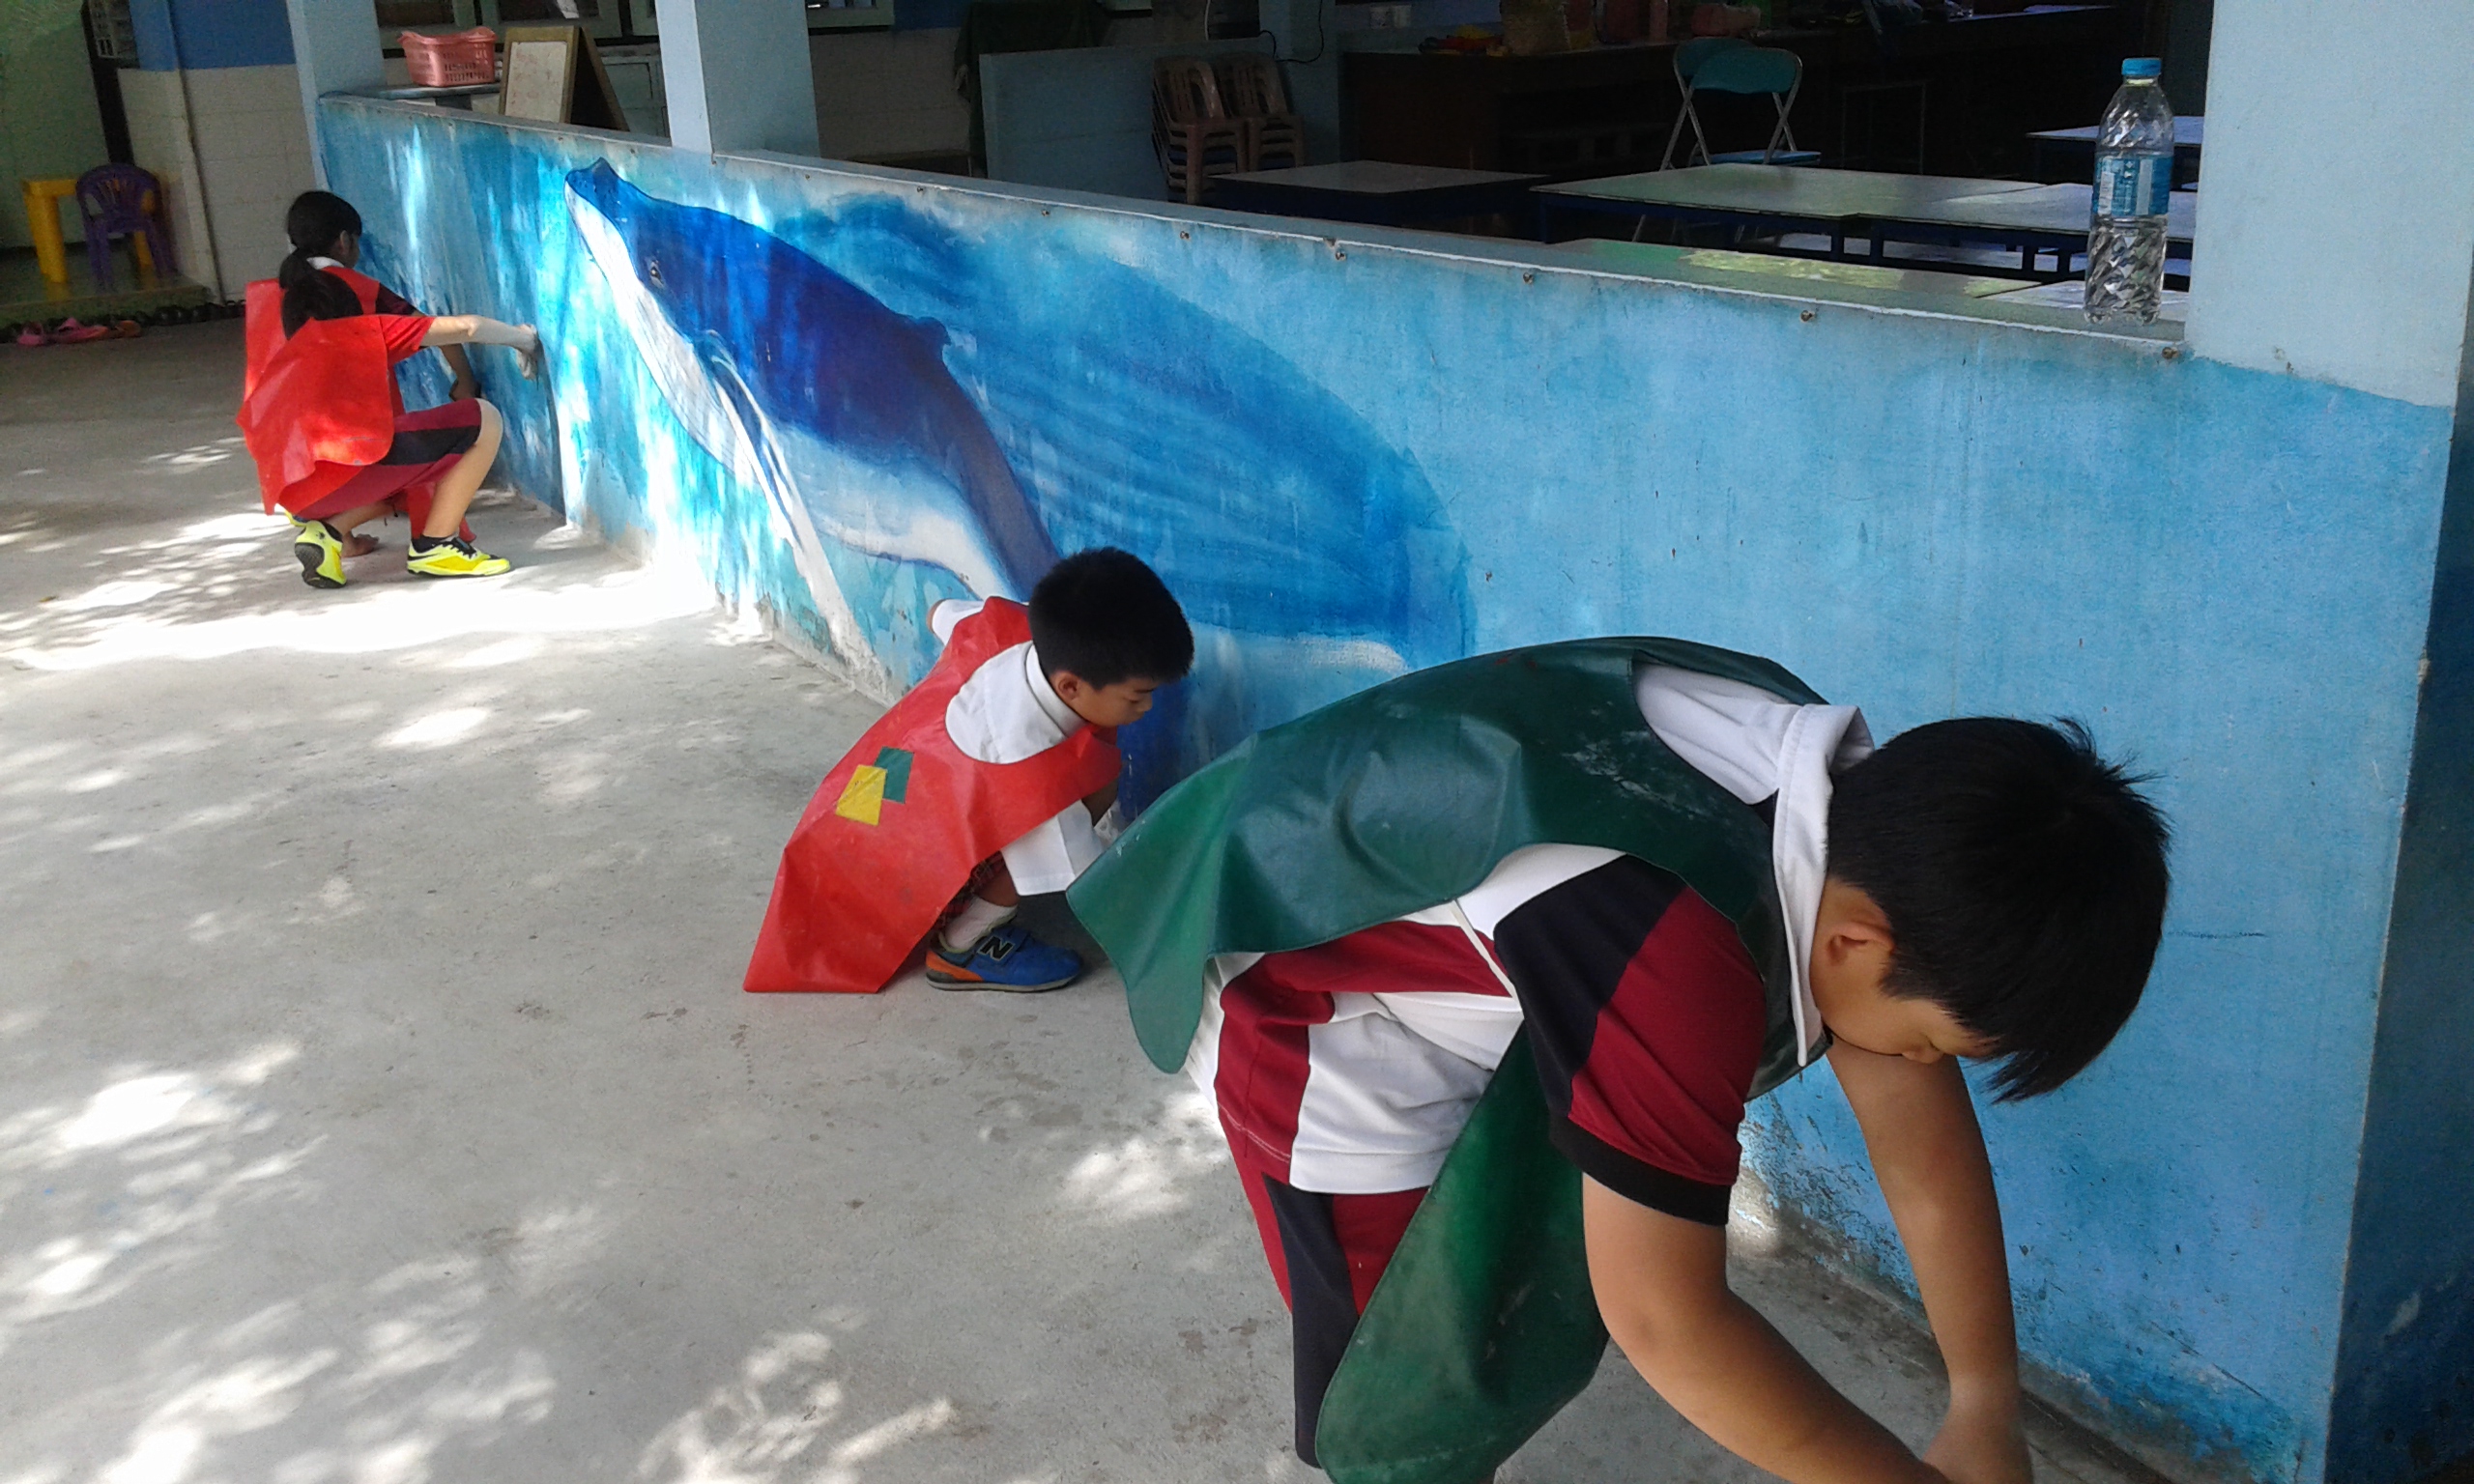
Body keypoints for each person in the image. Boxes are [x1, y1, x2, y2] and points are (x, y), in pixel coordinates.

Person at [1069, 637, 2172, 1484]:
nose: (1919, 1063)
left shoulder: (1879, 828)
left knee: (1525, 1259)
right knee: (1405, 1374)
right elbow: (1666, 1320)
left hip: (1490, 952)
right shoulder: (1671, 944)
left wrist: (1984, 1404)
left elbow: (1920, 1150)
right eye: (1931, 1040)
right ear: (1856, 944)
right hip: (1314, 998)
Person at [745, 548, 1194, 995]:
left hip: (876, 790)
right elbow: (1087, 876)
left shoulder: (1011, 625)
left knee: (1094, 775)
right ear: (1071, 686)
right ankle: (962, 945)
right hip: (875, 861)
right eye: (1137, 696)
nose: (1147, 707)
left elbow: (939, 613)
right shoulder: (1031, 773)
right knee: (1060, 815)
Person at [236, 233, 540, 587]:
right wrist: (523, 338)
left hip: (296, 500)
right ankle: (437, 545)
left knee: (404, 472)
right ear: (350, 306)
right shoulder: (361, 333)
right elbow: (467, 327)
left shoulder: (285, 359)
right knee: (483, 417)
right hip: (348, 474)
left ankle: (327, 533)